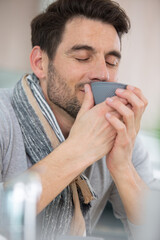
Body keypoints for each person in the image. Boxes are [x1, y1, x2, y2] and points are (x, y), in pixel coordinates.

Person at [0, 0, 154, 239]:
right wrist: (78, 150)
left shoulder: (118, 132)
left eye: (112, 61)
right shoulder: (3, 118)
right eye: (83, 57)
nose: (102, 74)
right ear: (40, 63)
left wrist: (123, 167)